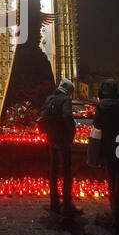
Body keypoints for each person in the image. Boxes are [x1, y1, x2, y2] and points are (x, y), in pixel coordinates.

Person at [41, 78, 81, 217]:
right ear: (69, 91)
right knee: (67, 171)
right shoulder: (65, 100)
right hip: (63, 139)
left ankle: (54, 202)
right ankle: (68, 204)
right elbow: (67, 117)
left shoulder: (50, 99)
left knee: (54, 169)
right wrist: (72, 132)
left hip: (51, 138)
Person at [93, 79, 119, 235]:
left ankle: (116, 215)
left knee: (112, 178)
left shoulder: (102, 105)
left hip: (110, 146)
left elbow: (97, 125)